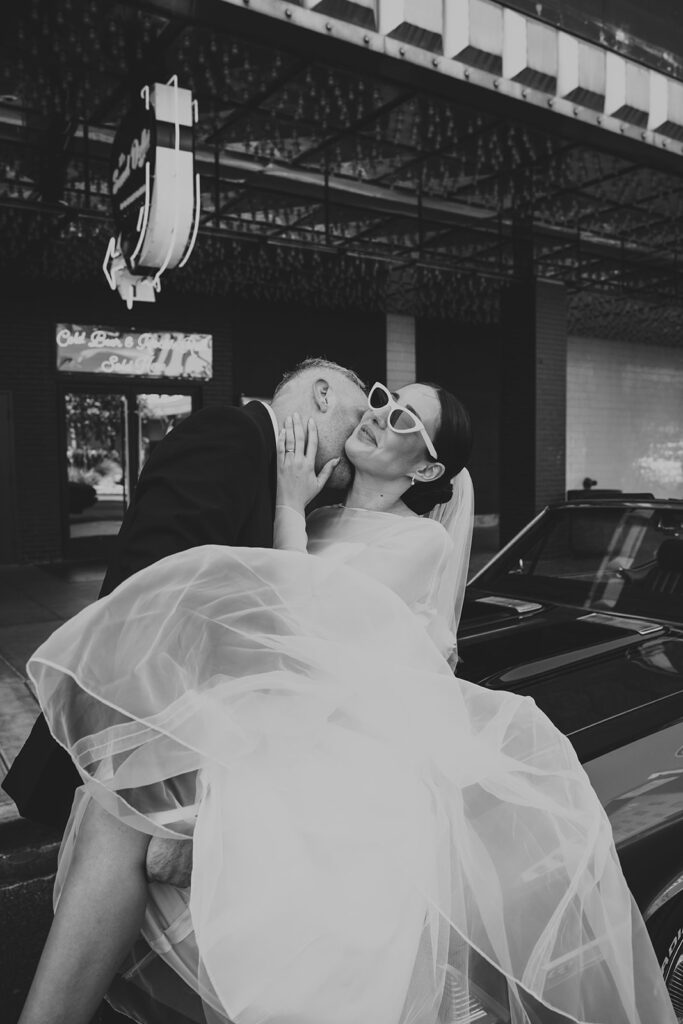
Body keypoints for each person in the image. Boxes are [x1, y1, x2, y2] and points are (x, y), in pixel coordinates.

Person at [20, 382, 676, 1024]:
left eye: (403, 420)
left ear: (426, 466)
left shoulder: (419, 541)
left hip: (331, 751)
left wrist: (284, 506)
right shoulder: (319, 515)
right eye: (384, 400)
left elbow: (296, 630)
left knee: (132, 826)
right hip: (271, 725)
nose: (380, 414)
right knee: (119, 811)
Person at [10, 357, 367, 1024]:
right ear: (321, 394)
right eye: (357, 415)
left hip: (216, 724)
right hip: (157, 716)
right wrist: (181, 760)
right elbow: (153, 589)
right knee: (122, 846)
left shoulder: (284, 481)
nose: (356, 440)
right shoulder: (231, 436)